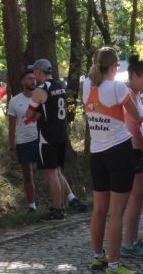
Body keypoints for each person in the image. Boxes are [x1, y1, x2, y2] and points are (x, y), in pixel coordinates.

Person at [83, 47, 142, 274]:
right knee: (116, 212)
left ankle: (98, 256)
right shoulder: (117, 87)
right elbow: (137, 116)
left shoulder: (86, 85)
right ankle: (115, 266)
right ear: (115, 66)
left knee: (99, 210)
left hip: (97, 154)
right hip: (119, 151)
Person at [7, 69, 86, 213]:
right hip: (24, 140)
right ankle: (32, 206)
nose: (33, 81)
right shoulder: (15, 101)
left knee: (54, 170)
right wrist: (11, 147)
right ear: (22, 82)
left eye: (34, 78)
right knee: (27, 174)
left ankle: (71, 199)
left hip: (42, 138)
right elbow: (11, 126)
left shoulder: (44, 93)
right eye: (29, 78)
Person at [24, 58, 70, 221]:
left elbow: (29, 114)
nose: (33, 75)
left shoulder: (41, 89)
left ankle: (58, 209)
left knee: (51, 173)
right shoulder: (60, 86)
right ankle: (61, 206)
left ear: (38, 71)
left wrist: (36, 114)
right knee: (57, 171)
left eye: (34, 72)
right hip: (62, 134)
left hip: (47, 136)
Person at [121, 56, 143, 258]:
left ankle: (133, 238)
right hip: (133, 150)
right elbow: (133, 129)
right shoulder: (128, 94)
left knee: (140, 196)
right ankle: (129, 242)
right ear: (134, 75)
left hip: (135, 149)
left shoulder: (133, 94)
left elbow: (138, 126)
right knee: (136, 198)